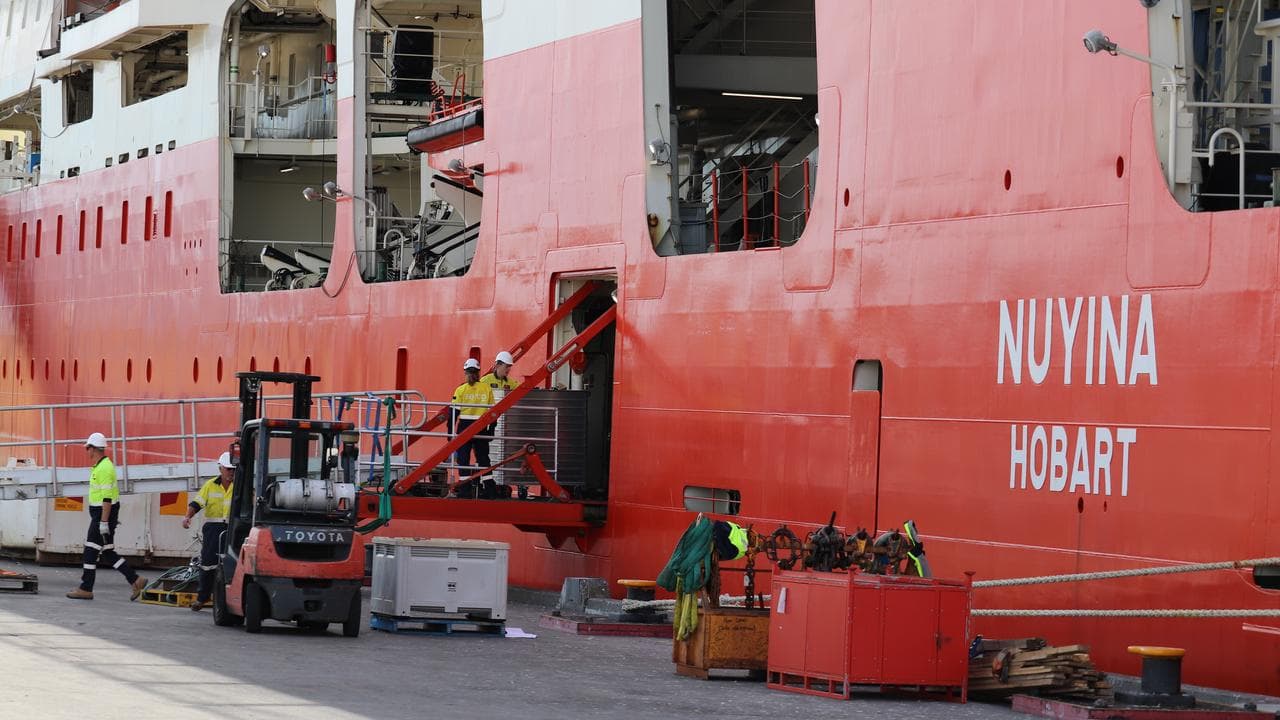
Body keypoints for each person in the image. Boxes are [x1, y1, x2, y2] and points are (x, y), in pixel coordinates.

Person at [66, 433, 147, 601]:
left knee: (90, 550)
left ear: (93, 448)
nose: (86, 451)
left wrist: (103, 522)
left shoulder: (104, 469)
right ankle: (135, 579)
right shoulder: (101, 466)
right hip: (104, 514)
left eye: (88, 448)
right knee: (108, 552)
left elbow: (107, 499)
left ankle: (86, 588)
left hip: (102, 515)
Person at [183, 452, 235, 611]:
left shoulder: (242, 485)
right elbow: (197, 503)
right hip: (213, 529)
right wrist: (187, 517)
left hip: (234, 528)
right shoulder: (210, 485)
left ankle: (229, 599)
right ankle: (202, 598)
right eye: (228, 469)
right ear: (220, 468)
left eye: (233, 469)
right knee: (207, 564)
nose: (231, 472)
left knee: (232, 563)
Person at [451, 358, 491, 489]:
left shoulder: (460, 390)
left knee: (463, 459)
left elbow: (453, 414)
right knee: (483, 458)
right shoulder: (486, 389)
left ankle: (465, 488)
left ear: (465, 373)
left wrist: (450, 434)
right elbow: (493, 412)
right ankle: (489, 488)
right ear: (479, 373)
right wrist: (492, 430)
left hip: (464, 428)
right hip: (482, 428)